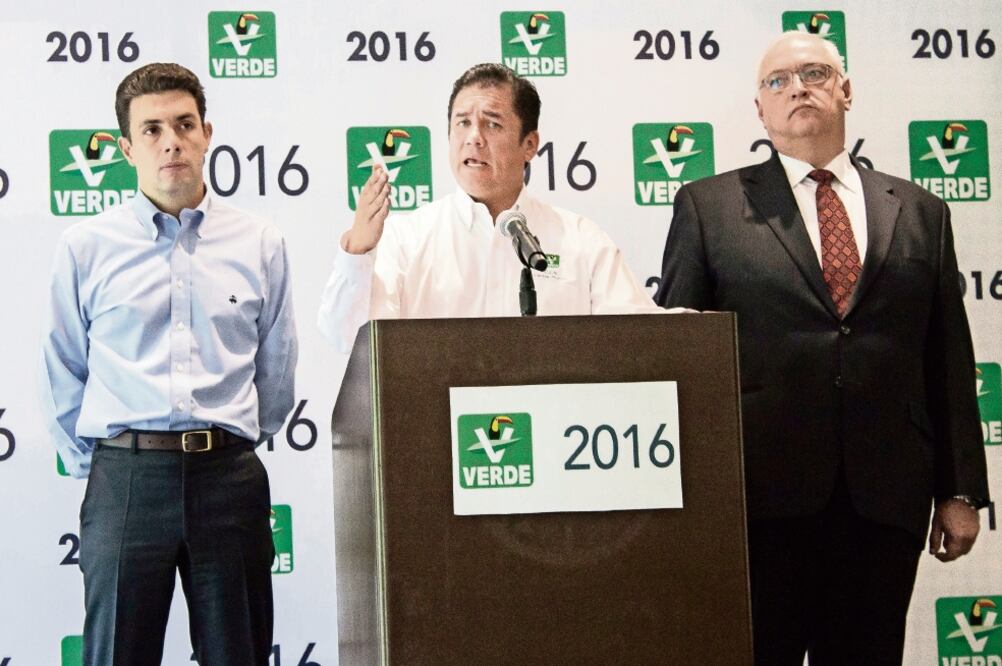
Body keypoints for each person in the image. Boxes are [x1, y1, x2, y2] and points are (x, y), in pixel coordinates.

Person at [655, 32, 988, 664]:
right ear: (759, 111)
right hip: (758, 498)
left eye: (813, 73)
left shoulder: (921, 210)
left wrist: (962, 488)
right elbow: (681, 356)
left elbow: (947, 357)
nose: (797, 88)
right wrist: (689, 495)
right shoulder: (710, 206)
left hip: (885, 497)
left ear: (846, 90)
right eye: (776, 82)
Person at [39, 63, 297, 666]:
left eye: (184, 124)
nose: (171, 141)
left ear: (207, 132)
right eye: (152, 129)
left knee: (240, 655)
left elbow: (276, 373)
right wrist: (107, 461)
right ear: (127, 148)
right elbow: (61, 369)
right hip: (125, 482)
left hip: (228, 481)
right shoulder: (85, 247)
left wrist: (232, 443)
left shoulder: (261, 244)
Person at [318, 63, 658, 352]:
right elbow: (345, 338)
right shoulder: (407, 238)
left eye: (492, 124)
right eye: (462, 123)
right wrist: (358, 252)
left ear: (529, 145)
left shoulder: (580, 239)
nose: (474, 137)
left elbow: (642, 339)